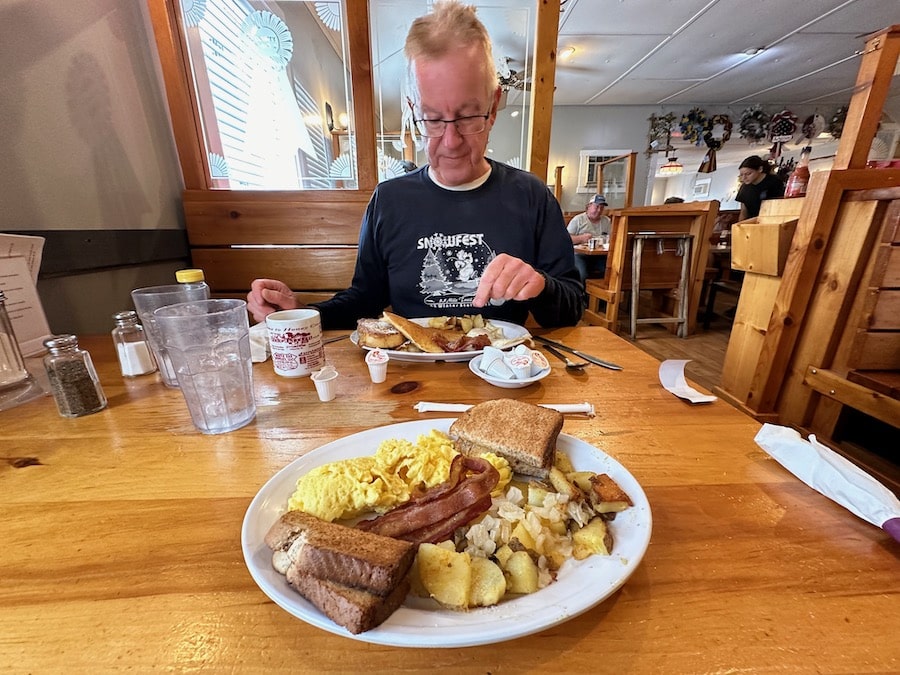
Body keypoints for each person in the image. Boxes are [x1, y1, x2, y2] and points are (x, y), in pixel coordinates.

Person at [247, 1, 583, 330]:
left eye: (467, 117)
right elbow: (365, 300)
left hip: (505, 376)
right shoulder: (389, 201)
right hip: (412, 379)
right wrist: (302, 315)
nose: (450, 141)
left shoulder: (531, 195)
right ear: (412, 110)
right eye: (432, 119)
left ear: (493, 107)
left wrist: (540, 285)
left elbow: (570, 308)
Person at [566, 194, 610, 281]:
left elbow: (611, 238)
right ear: (589, 206)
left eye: (601, 208)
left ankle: (599, 293)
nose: (599, 210)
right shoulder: (578, 220)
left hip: (599, 255)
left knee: (609, 271)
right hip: (579, 255)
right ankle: (580, 294)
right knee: (581, 274)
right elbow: (565, 239)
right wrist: (581, 238)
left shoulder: (606, 221)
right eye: (596, 207)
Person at [735, 155, 784, 219]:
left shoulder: (774, 182)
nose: (744, 178)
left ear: (760, 169)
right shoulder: (744, 187)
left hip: (772, 219)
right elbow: (743, 212)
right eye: (741, 175)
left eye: (748, 174)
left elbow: (780, 205)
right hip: (751, 222)